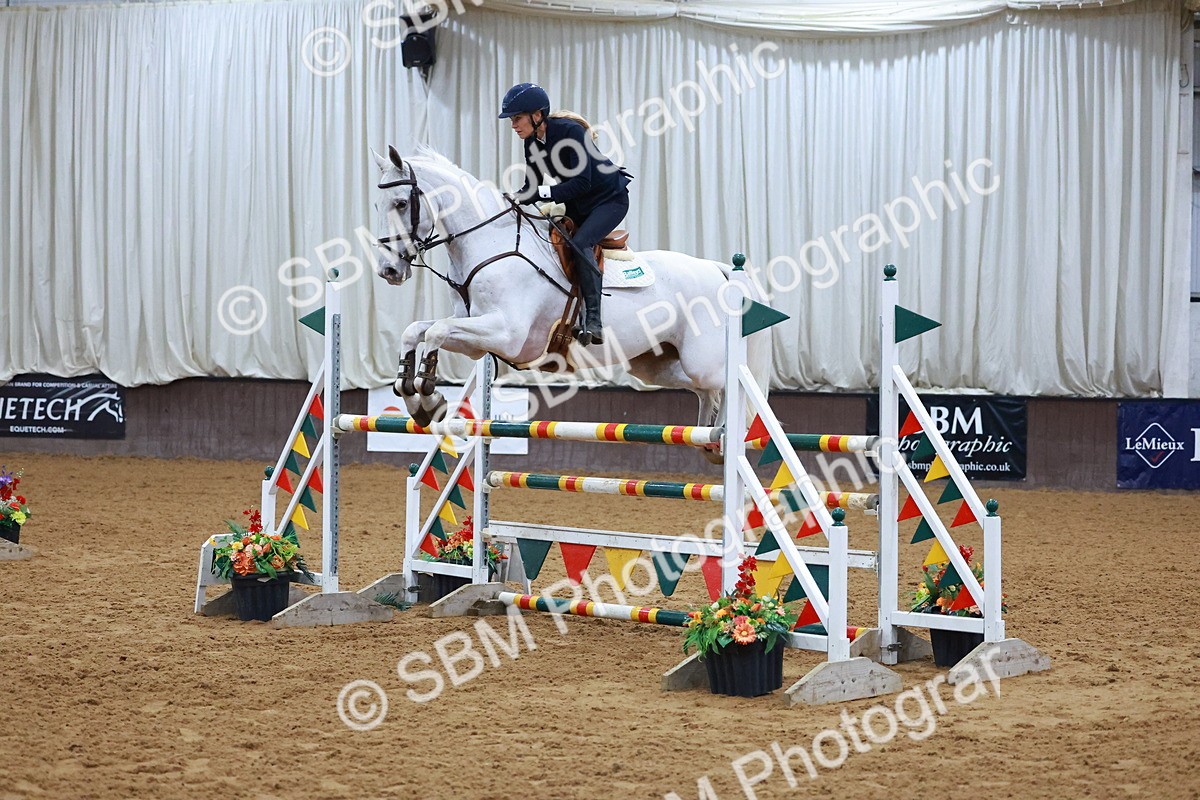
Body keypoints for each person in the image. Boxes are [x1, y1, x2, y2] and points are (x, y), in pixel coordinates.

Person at [499, 82, 631, 346]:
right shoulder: (532, 143)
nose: (513, 125)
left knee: (581, 242)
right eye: (512, 120)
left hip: (608, 200)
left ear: (537, 116)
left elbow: (582, 183)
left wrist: (542, 194)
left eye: (517, 118)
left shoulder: (570, 133)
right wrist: (510, 200)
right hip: (579, 204)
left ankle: (593, 319)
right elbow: (531, 187)